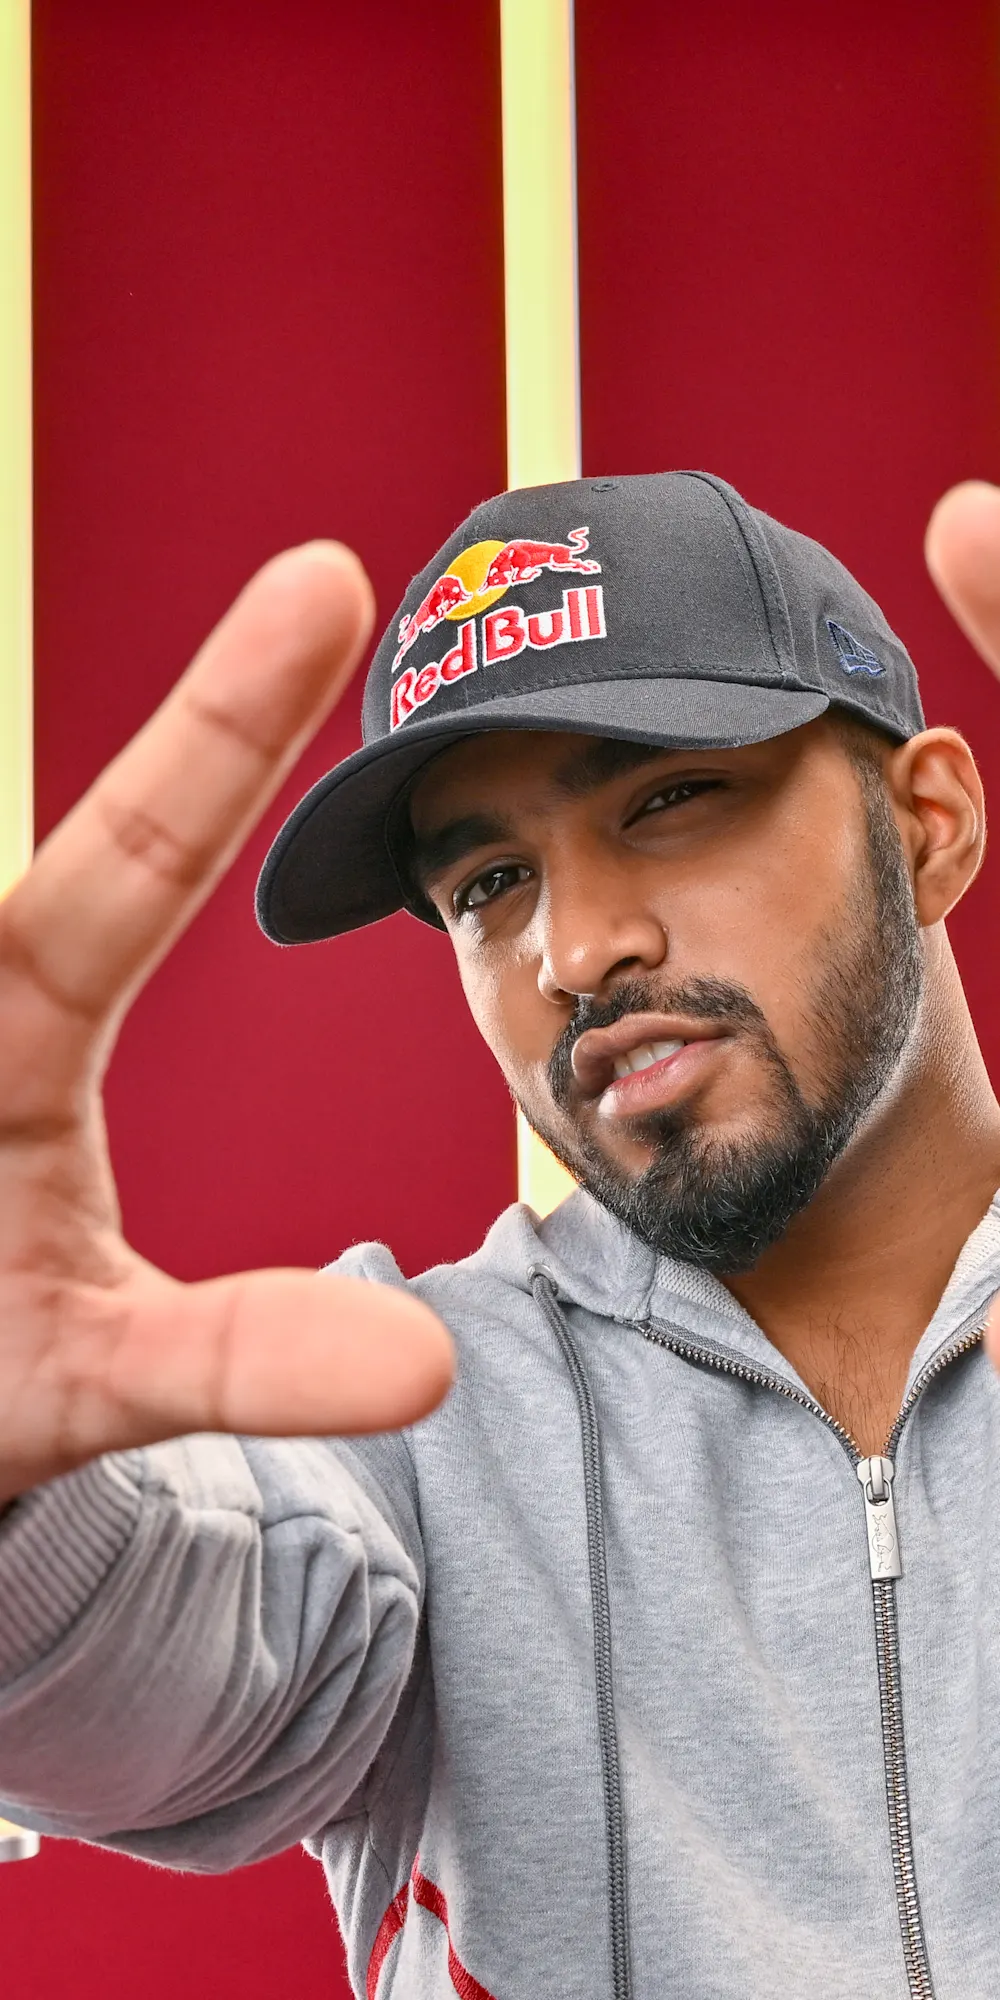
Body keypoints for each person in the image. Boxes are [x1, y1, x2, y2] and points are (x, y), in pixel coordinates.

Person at [1, 469, 999, 2000]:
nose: (576, 948)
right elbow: (137, 1674)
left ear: (927, 826)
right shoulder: (406, 1409)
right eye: (491, 883)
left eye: (667, 799)